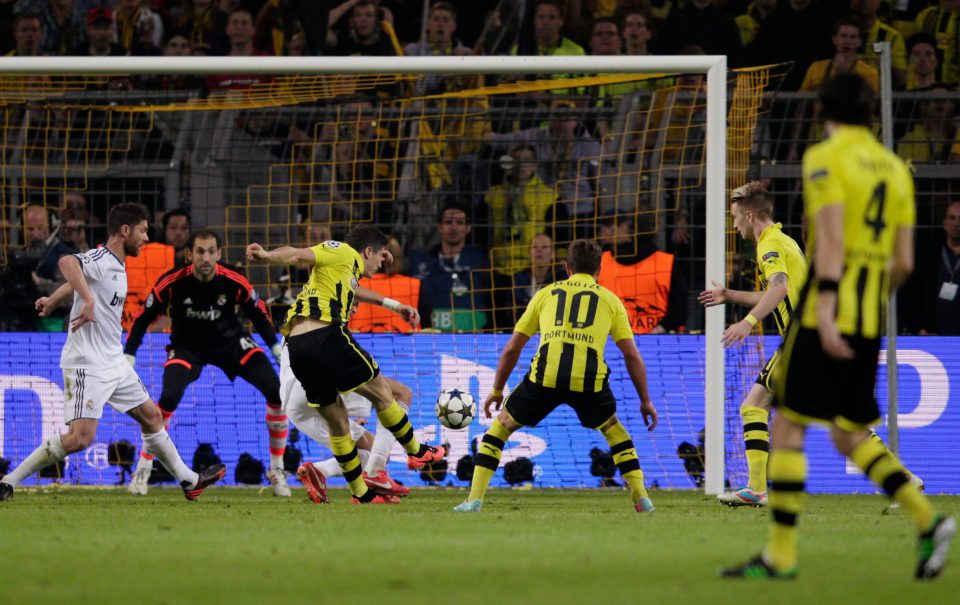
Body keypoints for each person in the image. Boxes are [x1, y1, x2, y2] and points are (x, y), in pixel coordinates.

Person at [721, 73, 955, 580]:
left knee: (783, 424)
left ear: (824, 109)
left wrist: (825, 309)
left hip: (825, 310)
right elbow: (905, 263)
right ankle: (926, 518)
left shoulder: (825, 158)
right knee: (848, 433)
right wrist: (863, 304)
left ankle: (780, 555)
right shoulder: (896, 169)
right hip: (869, 312)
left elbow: (829, 242)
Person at [0, 203, 226, 502]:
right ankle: (9, 481)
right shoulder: (101, 256)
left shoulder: (116, 265)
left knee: (152, 416)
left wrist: (54, 300)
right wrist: (87, 299)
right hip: (87, 363)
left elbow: (79, 280)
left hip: (113, 360)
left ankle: (188, 480)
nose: (146, 238)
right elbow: (68, 263)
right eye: (143, 231)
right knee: (80, 439)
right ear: (125, 230)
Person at [453, 239, 658, 513]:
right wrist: (645, 400)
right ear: (599, 269)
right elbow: (632, 356)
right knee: (614, 430)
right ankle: (641, 498)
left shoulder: (546, 294)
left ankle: (474, 500)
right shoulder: (611, 301)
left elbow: (513, 347)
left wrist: (497, 389)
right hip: (589, 382)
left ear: (566, 267)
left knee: (500, 428)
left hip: (545, 378)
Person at [245, 225, 446, 504]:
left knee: (338, 422)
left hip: (299, 347)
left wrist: (393, 305)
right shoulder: (339, 250)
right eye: (379, 257)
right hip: (325, 336)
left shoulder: (343, 271)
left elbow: (357, 290)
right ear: (367, 251)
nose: (382, 263)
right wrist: (268, 255)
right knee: (387, 394)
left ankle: (362, 494)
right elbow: (298, 255)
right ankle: (417, 450)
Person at [124, 229, 289, 496]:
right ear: (190, 254)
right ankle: (142, 470)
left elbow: (257, 313)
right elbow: (143, 317)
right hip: (187, 348)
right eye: (200, 251)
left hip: (232, 344)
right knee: (167, 398)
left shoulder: (234, 279)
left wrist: (275, 348)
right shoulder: (172, 281)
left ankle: (277, 470)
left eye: (211, 251)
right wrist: (129, 354)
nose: (206, 257)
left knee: (276, 392)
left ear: (219, 253)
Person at [698, 182, 806, 507]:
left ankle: (757, 488)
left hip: (800, 342)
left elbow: (780, 287)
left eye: (734, 217)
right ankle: (904, 480)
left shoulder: (769, 244)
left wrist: (748, 322)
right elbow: (771, 292)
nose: (734, 225)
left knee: (753, 406)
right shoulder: (783, 240)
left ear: (748, 214)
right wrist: (729, 295)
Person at [282, 300, 413, 503]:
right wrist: (393, 305)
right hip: (313, 378)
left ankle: (319, 471)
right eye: (355, 300)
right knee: (401, 393)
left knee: (369, 447)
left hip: (294, 404)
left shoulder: (302, 313)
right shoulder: (330, 312)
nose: (357, 306)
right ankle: (376, 475)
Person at [410, 201, 491, 332]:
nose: (453, 228)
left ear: (468, 228)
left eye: (459, 223)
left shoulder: (481, 260)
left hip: (474, 338)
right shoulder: (421, 260)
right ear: (439, 227)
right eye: (448, 222)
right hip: (430, 336)